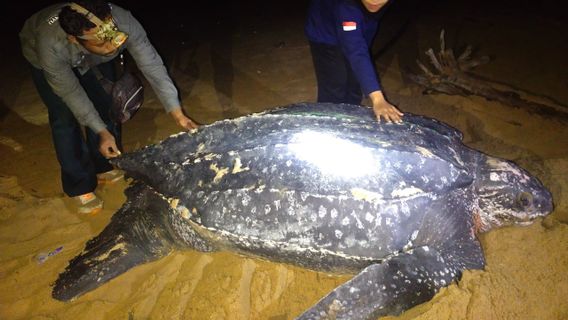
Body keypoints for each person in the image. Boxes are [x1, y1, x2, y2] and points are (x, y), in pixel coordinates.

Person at [19, 0, 198, 214]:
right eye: (102, 43)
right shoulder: (50, 44)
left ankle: (103, 165)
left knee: (106, 103)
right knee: (64, 116)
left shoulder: (122, 21)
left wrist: (177, 113)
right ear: (73, 39)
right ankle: (79, 185)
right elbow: (71, 93)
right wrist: (101, 131)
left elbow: (151, 65)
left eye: (112, 39)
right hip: (42, 56)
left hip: (91, 53)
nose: (112, 47)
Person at [305, 0, 403, 123]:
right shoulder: (345, 6)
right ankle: (327, 125)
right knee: (334, 87)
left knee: (355, 85)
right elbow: (356, 50)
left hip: (358, 26)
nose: (375, 1)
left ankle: (349, 120)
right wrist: (378, 98)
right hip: (325, 32)